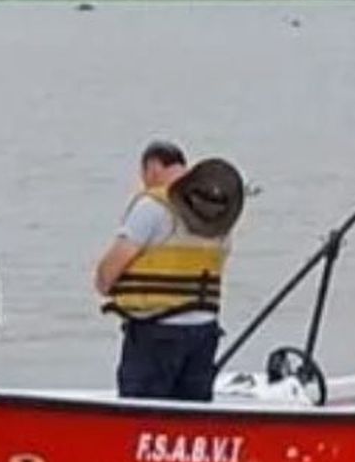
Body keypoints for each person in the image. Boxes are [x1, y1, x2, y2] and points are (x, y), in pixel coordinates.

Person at [93, 141, 243, 402]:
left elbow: (110, 271)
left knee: (142, 414)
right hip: (204, 333)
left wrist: (104, 286)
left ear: (152, 168)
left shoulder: (153, 207)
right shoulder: (216, 212)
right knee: (191, 418)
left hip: (157, 332)